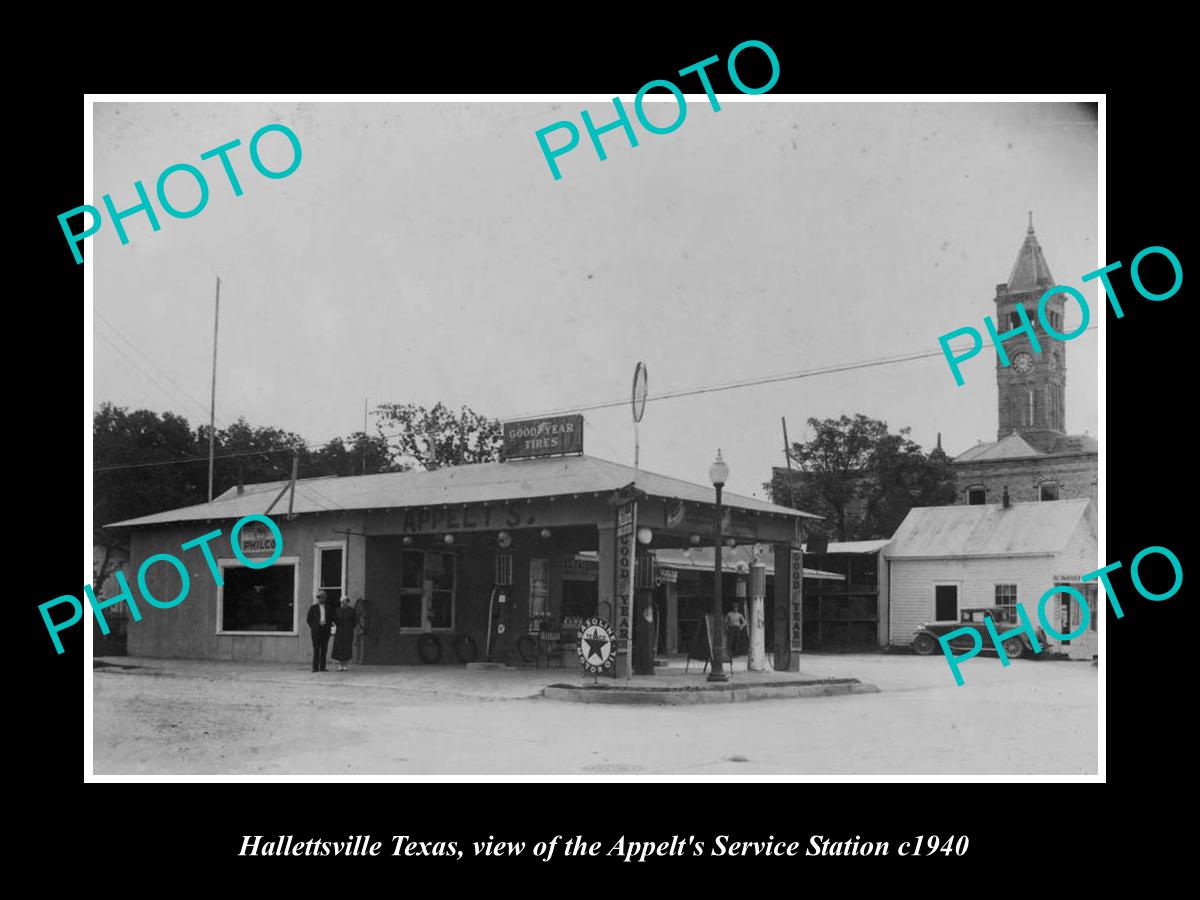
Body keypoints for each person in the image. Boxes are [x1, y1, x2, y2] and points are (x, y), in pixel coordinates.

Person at [306, 591, 331, 672]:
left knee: (324, 650)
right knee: (316, 649)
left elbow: (331, 618)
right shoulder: (313, 608)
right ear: (318, 598)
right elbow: (308, 619)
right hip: (316, 631)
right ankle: (315, 667)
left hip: (325, 630)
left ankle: (323, 667)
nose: (322, 599)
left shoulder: (328, 608)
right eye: (320, 597)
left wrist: (327, 625)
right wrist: (314, 627)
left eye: (324, 597)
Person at [332, 596, 356, 671]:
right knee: (339, 647)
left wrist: (350, 627)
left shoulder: (352, 611)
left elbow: (355, 621)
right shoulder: (338, 610)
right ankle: (340, 664)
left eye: (344, 601)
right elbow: (335, 619)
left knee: (347, 647)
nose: (343, 603)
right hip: (340, 631)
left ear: (347, 602)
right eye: (342, 602)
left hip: (348, 631)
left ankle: (345, 664)